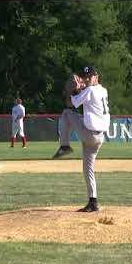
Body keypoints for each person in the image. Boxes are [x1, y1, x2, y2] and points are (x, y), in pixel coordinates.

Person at [53, 66, 110, 212]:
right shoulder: (102, 90)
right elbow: (88, 95)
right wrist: (80, 88)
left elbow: (71, 104)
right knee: (87, 169)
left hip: (89, 134)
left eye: (89, 76)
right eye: (85, 77)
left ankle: (64, 146)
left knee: (66, 113)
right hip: (99, 138)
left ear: (96, 76)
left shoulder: (90, 90)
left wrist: (72, 90)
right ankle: (93, 201)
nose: (86, 79)